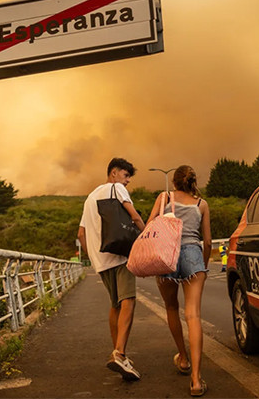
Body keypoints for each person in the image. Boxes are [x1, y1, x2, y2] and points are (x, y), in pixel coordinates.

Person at [78, 158, 146, 381]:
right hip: (120, 254)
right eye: (126, 176)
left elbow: (81, 234)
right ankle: (120, 353)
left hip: (101, 260)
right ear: (114, 173)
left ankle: (118, 352)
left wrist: (93, 258)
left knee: (115, 304)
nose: (127, 181)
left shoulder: (90, 198)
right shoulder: (116, 188)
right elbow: (134, 216)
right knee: (129, 300)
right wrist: (148, 237)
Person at [146, 165, 212, 396]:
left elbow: (149, 227)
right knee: (193, 316)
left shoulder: (164, 198)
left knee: (171, 307)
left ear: (174, 182)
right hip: (193, 254)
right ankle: (196, 380)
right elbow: (208, 241)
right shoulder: (201, 204)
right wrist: (202, 266)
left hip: (168, 254)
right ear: (192, 181)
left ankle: (183, 359)